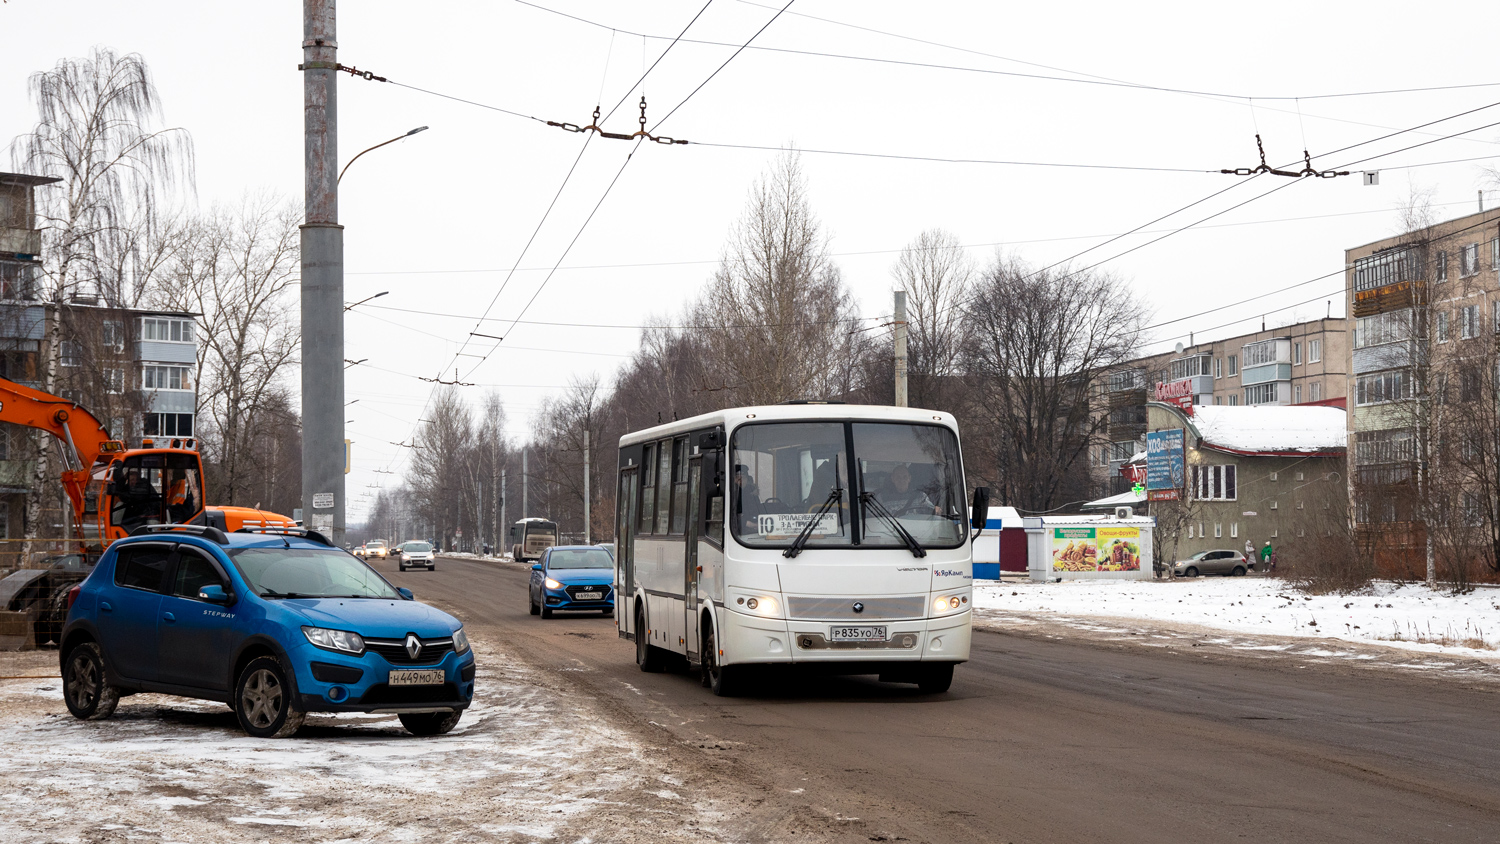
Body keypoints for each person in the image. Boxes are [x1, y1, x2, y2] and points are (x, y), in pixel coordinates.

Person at [732, 464, 762, 534]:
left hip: (754, 531)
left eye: (743, 478)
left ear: (747, 479)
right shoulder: (732, 494)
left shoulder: (752, 494)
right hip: (737, 533)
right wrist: (749, 524)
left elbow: (758, 511)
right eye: (737, 478)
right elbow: (732, 516)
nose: (741, 481)